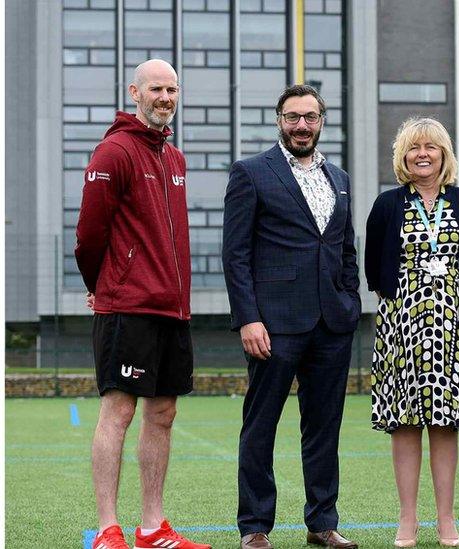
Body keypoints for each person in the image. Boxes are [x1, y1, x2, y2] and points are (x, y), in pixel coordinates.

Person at [75, 58, 211, 549]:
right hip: (127, 305)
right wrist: (101, 284)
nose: (165, 97)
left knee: (163, 413)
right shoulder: (114, 151)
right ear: (135, 91)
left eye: (172, 89)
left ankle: (152, 527)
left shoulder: (173, 158)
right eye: (156, 88)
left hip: (173, 309)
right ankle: (108, 529)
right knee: (119, 411)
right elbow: (89, 234)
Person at [222, 84, 361, 549]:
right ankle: (255, 527)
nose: (301, 125)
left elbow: (344, 248)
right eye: (292, 116)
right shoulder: (251, 173)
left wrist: (348, 298)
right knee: (260, 426)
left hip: (332, 325)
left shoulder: (338, 177)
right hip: (273, 325)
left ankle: (323, 523)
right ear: (279, 119)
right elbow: (235, 254)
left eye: (310, 117)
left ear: (322, 121)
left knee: (324, 428)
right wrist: (248, 318)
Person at [365, 117, 459, 548]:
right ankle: (408, 520)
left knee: (444, 424)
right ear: (402, 156)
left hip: (451, 325)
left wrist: (447, 299)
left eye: (431, 147)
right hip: (401, 323)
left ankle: (446, 519)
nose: (422, 154)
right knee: (404, 424)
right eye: (413, 147)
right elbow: (373, 265)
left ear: (444, 155)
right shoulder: (387, 204)